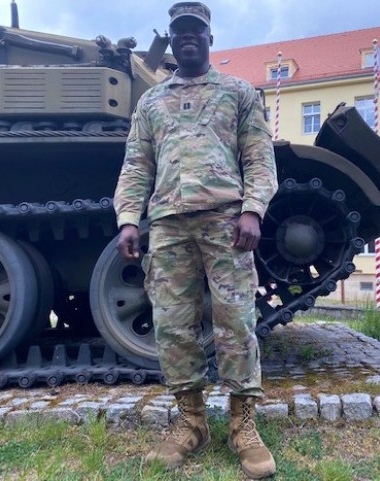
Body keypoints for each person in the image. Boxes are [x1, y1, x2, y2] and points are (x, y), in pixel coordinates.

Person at [113, 2, 278, 478]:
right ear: (172, 38)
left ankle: (242, 424)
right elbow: (137, 164)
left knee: (236, 320)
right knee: (172, 322)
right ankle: (190, 421)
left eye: (196, 31)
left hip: (226, 224)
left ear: (209, 39)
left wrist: (252, 209)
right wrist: (128, 218)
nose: (188, 37)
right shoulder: (151, 102)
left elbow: (259, 157)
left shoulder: (239, 93)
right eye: (180, 31)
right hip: (167, 224)